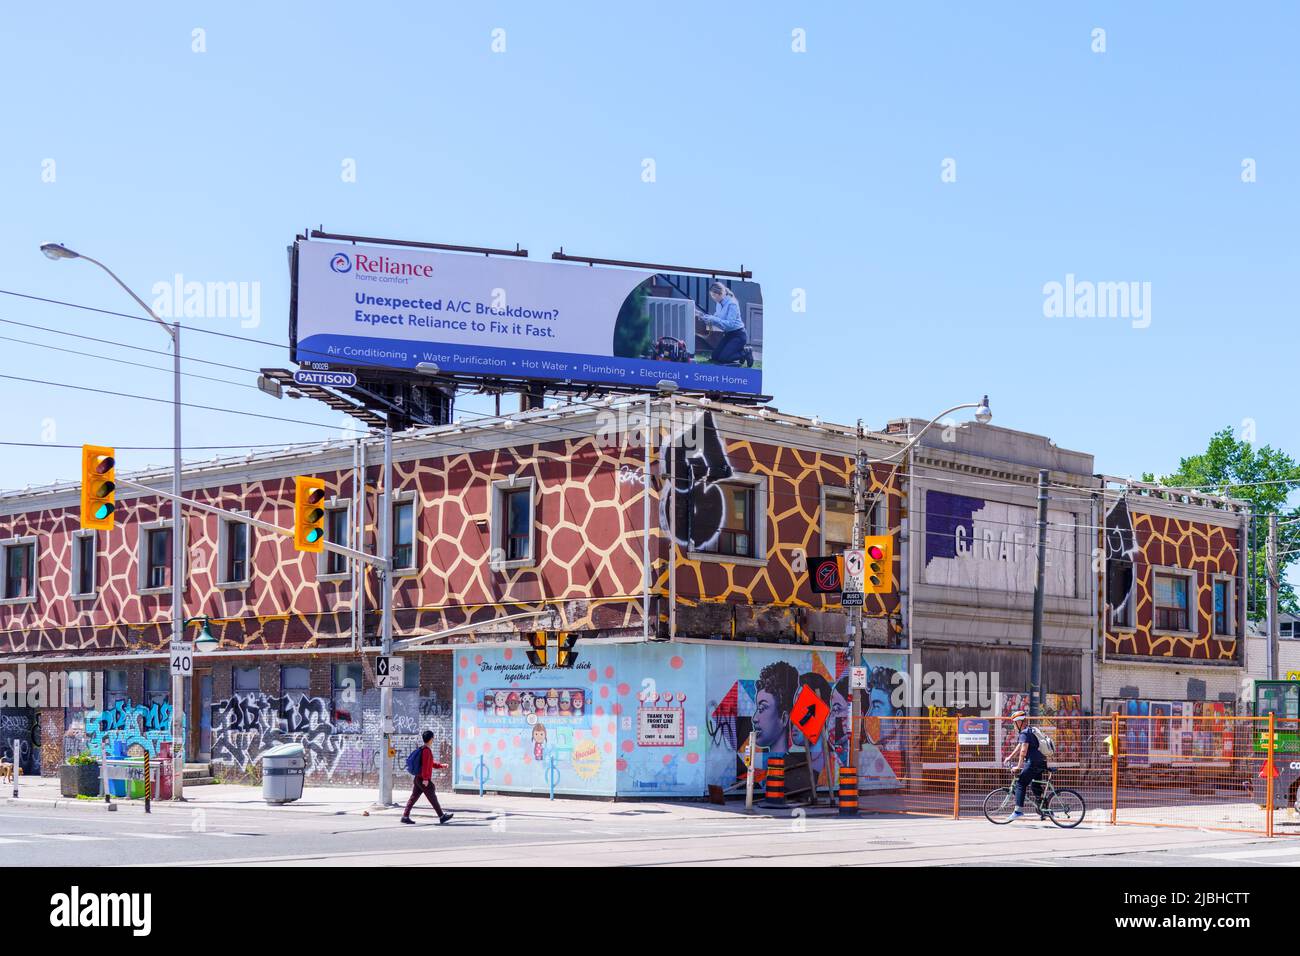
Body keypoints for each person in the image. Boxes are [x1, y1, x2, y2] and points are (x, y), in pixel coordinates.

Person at [401, 730, 454, 825]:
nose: (433, 739)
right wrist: (425, 779)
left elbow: (430, 764)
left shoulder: (423, 749)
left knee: (413, 798)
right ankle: (442, 816)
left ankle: (405, 816)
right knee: (432, 798)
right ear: (431, 739)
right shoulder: (427, 751)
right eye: (433, 738)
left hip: (418, 778)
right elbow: (426, 765)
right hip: (422, 779)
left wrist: (441, 765)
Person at [1002, 710, 1047, 819]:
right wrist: (1010, 757)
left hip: (1032, 762)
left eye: (1014, 723)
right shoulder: (1031, 730)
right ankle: (1044, 809)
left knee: (1021, 784)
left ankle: (1018, 811)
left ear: (1019, 722)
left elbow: (1023, 750)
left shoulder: (1024, 732)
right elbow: (1020, 745)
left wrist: (1018, 766)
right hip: (1041, 761)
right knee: (1035, 785)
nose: (1014, 725)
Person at [696, 282, 751, 366]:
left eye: (714, 295)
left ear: (721, 293)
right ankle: (738, 353)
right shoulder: (719, 303)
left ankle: (745, 352)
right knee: (715, 356)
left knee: (723, 358)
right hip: (728, 334)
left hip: (738, 335)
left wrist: (713, 319)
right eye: (712, 296)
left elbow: (730, 324)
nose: (713, 298)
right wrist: (707, 318)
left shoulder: (732, 304)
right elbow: (717, 317)